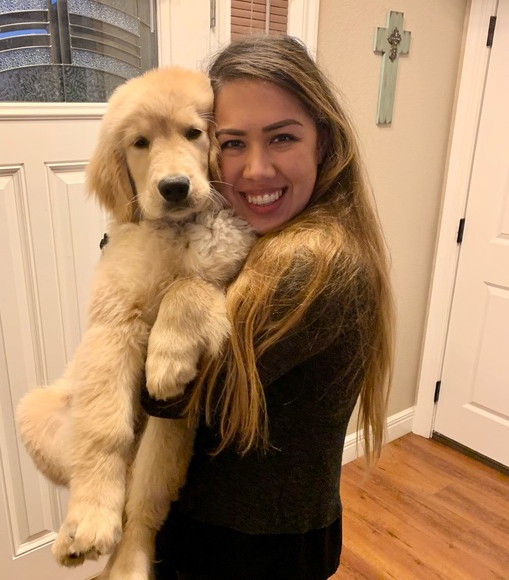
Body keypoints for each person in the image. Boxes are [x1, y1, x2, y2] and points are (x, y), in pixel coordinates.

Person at [143, 34, 394, 580]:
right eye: (232, 143)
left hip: (245, 547)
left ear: (322, 142)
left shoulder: (310, 262)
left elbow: (164, 397)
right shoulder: (259, 237)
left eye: (282, 137)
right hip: (258, 528)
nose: (255, 170)